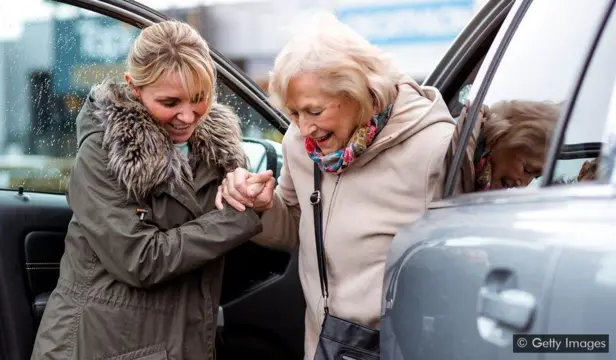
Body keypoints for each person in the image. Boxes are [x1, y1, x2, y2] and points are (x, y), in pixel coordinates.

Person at [215, 12, 456, 360]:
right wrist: (262, 207)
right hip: (326, 346)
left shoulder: (435, 148)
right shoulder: (299, 146)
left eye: (314, 111)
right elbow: (293, 228)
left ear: (360, 90)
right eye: (294, 113)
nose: (303, 127)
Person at [31, 20, 263, 360]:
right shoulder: (103, 151)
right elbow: (141, 260)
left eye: (200, 98)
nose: (187, 116)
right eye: (170, 102)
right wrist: (239, 216)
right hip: (98, 345)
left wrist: (248, 189)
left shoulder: (218, 151)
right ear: (134, 88)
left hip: (179, 340)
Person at [452, 99, 561, 192]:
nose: (523, 185)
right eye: (527, 170)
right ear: (502, 137)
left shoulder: (477, 182)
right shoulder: (446, 156)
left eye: (536, 177)